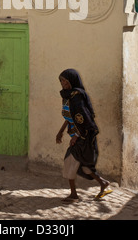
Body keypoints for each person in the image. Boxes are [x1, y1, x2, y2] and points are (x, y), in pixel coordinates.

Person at [56, 68, 112, 203]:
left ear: (72, 81)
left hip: (84, 136)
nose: (63, 83)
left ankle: (74, 194)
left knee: (70, 161)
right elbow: (70, 116)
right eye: (61, 81)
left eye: (65, 80)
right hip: (78, 135)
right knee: (83, 164)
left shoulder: (77, 97)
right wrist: (61, 130)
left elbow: (84, 119)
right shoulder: (68, 96)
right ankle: (103, 183)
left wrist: (76, 136)